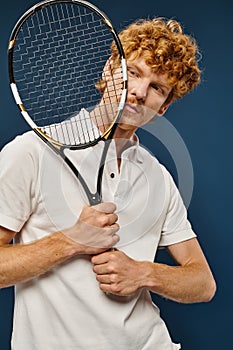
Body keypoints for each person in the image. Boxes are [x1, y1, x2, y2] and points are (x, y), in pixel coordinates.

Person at [0, 17, 216, 350]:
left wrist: (145, 273)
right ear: (108, 68)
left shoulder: (158, 177)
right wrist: (69, 241)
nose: (140, 92)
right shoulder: (30, 152)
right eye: (134, 72)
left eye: (158, 87)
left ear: (164, 106)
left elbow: (203, 283)